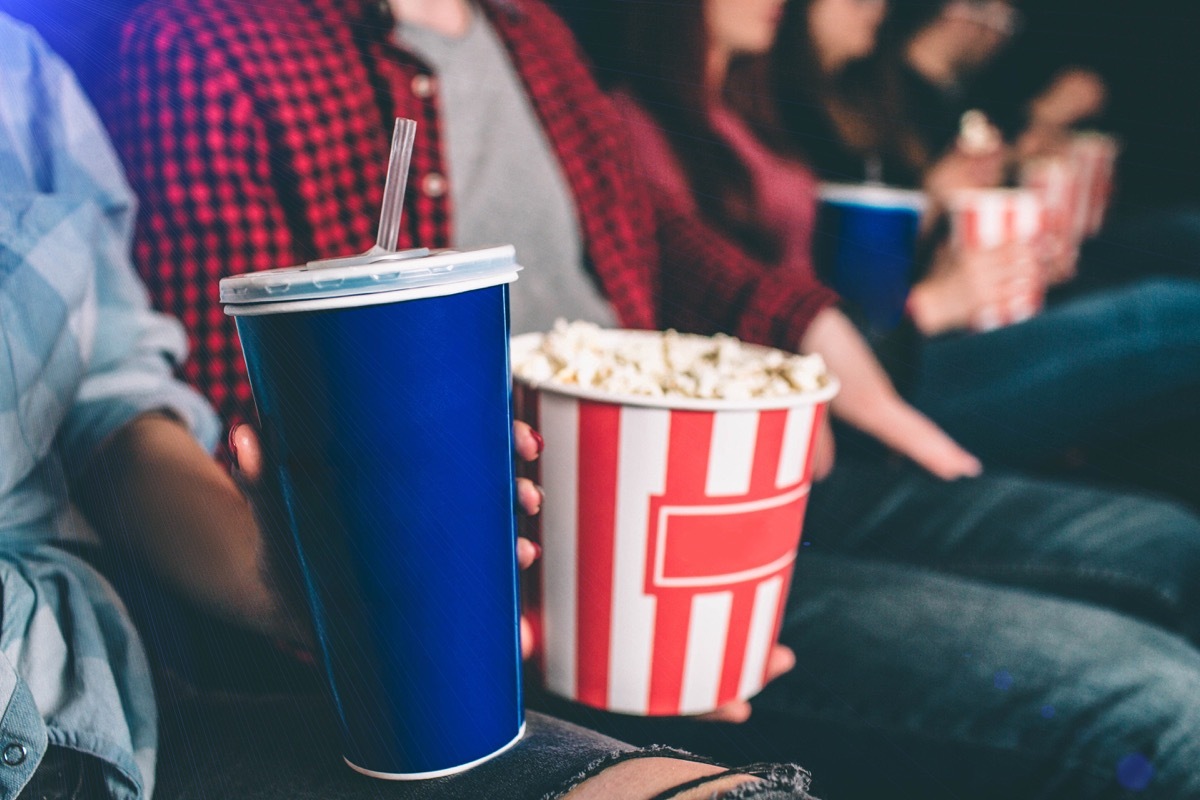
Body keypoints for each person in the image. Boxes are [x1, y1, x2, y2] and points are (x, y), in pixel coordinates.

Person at [101, 0, 1200, 796]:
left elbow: (660, 235)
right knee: (1155, 704)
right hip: (541, 566)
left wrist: (817, 333)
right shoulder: (210, 37)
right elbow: (254, 406)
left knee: (1159, 545)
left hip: (712, 473)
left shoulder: (530, 30)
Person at [0, 12, 822, 800]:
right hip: (125, 686)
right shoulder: (208, 40)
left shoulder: (23, 72)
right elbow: (255, 390)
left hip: (624, 549)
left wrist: (289, 584)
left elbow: (110, 409)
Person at [594, 0, 1200, 796]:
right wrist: (925, 304)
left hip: (860, 374)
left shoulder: (759, 106)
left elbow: (792, 289)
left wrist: (941, 232)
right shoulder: (628, 124)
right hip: (848, 388)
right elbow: (701, 326)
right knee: (1169, 312)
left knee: (1173, 527)